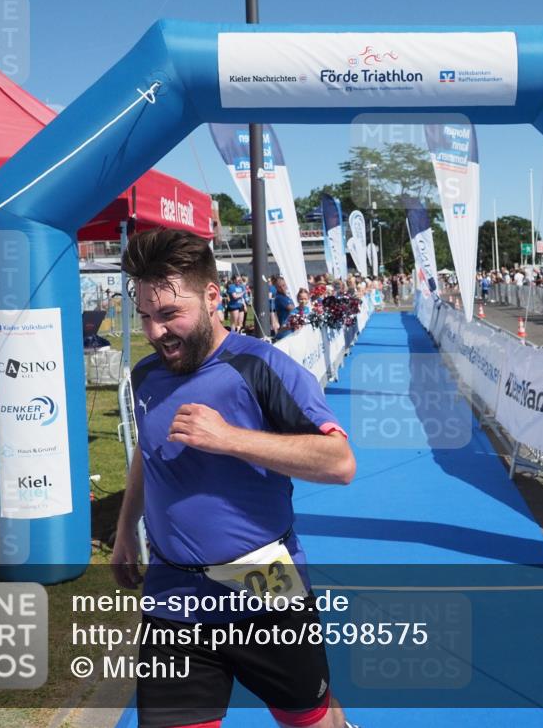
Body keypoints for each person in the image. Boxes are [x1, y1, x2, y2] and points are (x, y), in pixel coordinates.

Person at [112, 230, 358, 728]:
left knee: (308, 717)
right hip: (173, 591)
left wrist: (230, 438)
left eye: (169, 315)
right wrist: (124, 531)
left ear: (211, 297)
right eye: (145, 317)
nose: (156, 332)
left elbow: (340, 463)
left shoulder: (262, 367)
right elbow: (149, 450)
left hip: (264, 581)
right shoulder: (145, 376)